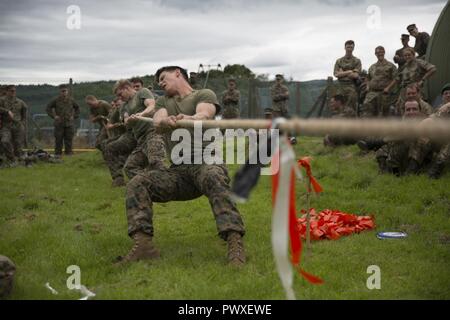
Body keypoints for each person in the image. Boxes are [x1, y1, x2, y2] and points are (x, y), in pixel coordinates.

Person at [118, 66, 246, 266]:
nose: (160, 82)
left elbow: (204, 114)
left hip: (206, 163)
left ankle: (235, 243)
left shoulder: (203, 94)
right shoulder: (163, 101)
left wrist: (187, 119)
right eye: (158, 80)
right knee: (138, 182)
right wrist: (165, 121)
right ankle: (144, 246)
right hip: (180, 173)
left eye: (163, 77)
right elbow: (158, 120)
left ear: (178, 73)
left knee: (213, 176)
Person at [114, 79, 166, 179]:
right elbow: (126, 123)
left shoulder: (142, 93)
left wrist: (142, 114)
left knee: (156, 162)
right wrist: (129, 121)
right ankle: (151, 184)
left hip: (153, 132)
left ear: (126, 88)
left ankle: (166, 185)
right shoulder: (123, 107)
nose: (120, 98)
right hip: (140, 139)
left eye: (120, 94)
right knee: (130, 167)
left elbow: (151, 105)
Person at [375, 100, 429, 176]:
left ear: (420, 111)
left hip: (420, 160)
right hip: (403, 159)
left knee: (420, 140)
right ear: (404, 112)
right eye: (408, 110)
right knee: (384, 146)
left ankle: (410, 173)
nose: (411, 112)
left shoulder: (426, 123)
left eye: (414, 109)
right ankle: (387, 171)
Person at [384, 48, 436, 115]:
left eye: (409, 55)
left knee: (416, 108)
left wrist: (422, 80)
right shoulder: (405, 66)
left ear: (413, 55)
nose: (407, 57)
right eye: (405, 55)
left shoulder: (419, 62)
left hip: (415, 92)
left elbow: (432, 69)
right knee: (402, 110)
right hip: (404, 92)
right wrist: (388, 88)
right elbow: (398, 78)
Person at [103, 96, 137, 187]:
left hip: (138, 134)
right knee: (107, 146)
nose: (118, 106)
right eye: (116, 105)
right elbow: (109, 125)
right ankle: (118, 179)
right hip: (125, 135)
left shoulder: (136, 103)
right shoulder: (118, 110)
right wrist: (119, 125)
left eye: (119, 103)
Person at [361, 46, 397, 118]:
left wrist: (388, 88)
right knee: (367, 110)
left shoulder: (390, 65)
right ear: (375, 54)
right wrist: (368, 86)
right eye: (377, 52)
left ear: (384, 52)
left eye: (381, 52)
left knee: (383, 113)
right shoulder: (372, 67)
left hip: (384, 93)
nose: (379, 54)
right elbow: (368, 78)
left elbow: (396, 78)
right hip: (372, 93)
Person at [46, 84, 80, 157]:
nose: (64, 93)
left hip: (69, 124)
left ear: (67, 91)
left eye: (65, 91)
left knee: (69, 141)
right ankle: (57, 156)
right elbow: (48, 108)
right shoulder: (56, 100)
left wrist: (73, 116)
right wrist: (54, 116)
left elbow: (77, 108)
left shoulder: (71, 100)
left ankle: (69, 156)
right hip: (59, 124)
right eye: (62, 91)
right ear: (60, 92)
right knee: (58, 141)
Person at [333, 40, 362, 114]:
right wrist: (349, 72)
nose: (349, 49)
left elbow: (355, 75)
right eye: (348, 47)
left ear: (353, 48)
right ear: (345, 48)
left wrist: (342, 73)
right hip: (340, 87)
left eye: (351, 47)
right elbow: (336, 74)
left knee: (351, 110)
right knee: (339, 109)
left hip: (351, 87)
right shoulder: (339, 61)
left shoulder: (357, 61)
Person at [0, 85, 27, 159]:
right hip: (6, 126)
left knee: (18, 145)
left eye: (14, 91)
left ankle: (18, 161)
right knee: (4, 141)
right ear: (7, 92)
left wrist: (23, 123)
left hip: (18, 126)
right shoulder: (2, 100)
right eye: (11, 91)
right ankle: (11, 159)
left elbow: (24, 113)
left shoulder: (20, 102)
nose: (13, 92)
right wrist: (7, 111)